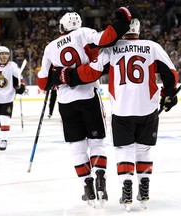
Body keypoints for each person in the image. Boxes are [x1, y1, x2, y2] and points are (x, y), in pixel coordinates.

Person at [51, 18, 179, 211]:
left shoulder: (111, 49)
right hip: (148, 109)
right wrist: (168, 95)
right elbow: (171, 73)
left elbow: (92, 72)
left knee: (124, 150)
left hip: (122, 110)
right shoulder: (152, 47)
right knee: (143, 149)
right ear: (138, 29)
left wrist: (65, 77)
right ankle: (144, 187)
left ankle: (126, 187)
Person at [36, 7, 140, 207]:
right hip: (89, 96)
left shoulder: (50, 47)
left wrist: (58, 76)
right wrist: (123, 21)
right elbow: (106, 38)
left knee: (77, 147)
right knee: (97, 142)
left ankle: (87, 185)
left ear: (61, 27)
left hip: (66, 103)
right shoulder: (84, 33)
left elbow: (42, 83)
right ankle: (100, 175)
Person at [0, 46, 26, 151]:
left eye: (6, 54)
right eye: (2, 54)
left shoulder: (13, 66)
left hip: (8, 98)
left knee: (5, 119)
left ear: (9, 55)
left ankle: (4, 140)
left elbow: (19, 80)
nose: (4, 56)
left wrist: (21, 87)